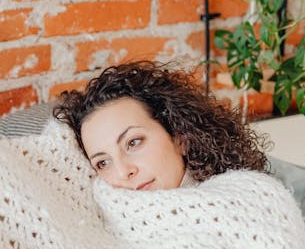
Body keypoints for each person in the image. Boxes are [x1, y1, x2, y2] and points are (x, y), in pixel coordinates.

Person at [53, 60, 269, 190]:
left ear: (179, 137)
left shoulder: (247, 197)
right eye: (103, 163)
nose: (123, 171)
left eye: (133, 142)